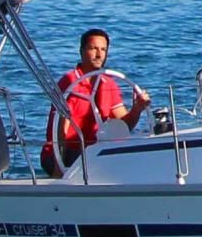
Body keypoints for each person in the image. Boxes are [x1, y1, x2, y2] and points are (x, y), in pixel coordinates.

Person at [44, 29, 151, 177]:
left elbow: (124, 126)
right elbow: (60, 129)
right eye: (93, 49)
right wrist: (58, 168)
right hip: (63, 153)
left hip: (95, 152)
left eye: (103, 50)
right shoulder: (68, 83)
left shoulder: (109, 83)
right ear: (81, 51)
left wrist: (137, 109)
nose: (99, 55)